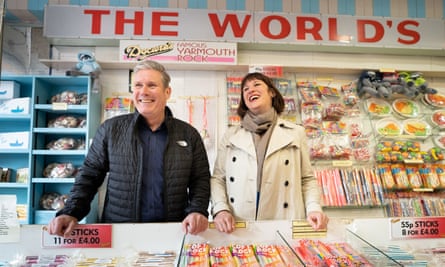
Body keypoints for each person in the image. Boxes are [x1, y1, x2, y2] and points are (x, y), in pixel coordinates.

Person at [47, 60, 211, 237]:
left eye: (152, 85)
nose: (144, 91)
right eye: (138, 85)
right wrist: (70, 212)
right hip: (120, 232)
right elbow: (89, 176)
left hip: (174, 231)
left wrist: (197, 210)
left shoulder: (188, 134)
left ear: (167, 92)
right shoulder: (111, 130)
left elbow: (200, 179)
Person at [210, 72, 328, 233]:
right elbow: (218, 178)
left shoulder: (296, 133)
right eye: (245, 89)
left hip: (284, 217)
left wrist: (314, 208)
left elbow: (307, 178)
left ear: (272, 92)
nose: (250, 90)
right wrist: (220, 209)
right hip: (239, 221)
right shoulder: (231, 135)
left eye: (257, 85)